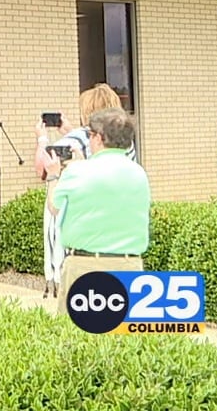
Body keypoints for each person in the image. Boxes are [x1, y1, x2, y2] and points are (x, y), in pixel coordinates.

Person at [48, 107, 152, 315]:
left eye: (90, 134)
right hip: (130, 266)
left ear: (99, 138)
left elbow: (54, 207)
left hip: (85, 266)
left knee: (78, 332)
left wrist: (53, 175)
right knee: (123, 333)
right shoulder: (139, 173)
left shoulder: (77, 171)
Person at [34, 82, 132, 298]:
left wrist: (42, 138)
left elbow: (42, 167)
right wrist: (70, 131)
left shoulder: (80, 137)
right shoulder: (126, 144)